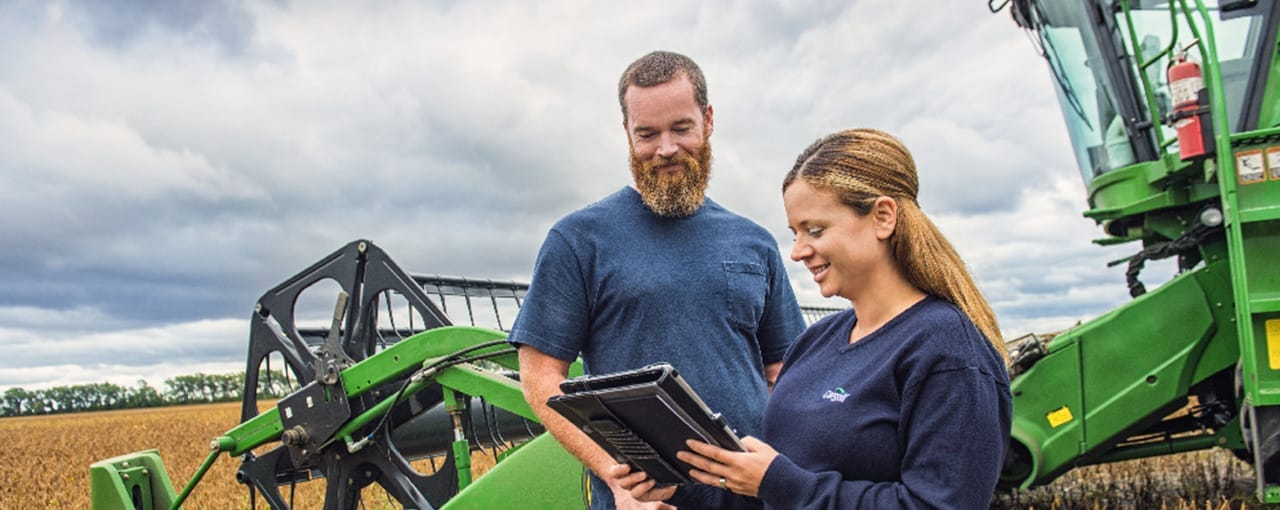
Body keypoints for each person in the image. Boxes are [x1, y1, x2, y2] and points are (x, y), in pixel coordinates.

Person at [614, 128, 1012, 509]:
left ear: (883, 217)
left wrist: (778, 483)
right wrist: (678, 485)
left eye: (816, 230)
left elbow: (937, 503)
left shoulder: (948, 350)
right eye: (794, 234)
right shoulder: (815, 341)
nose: (798, 251)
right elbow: (772, 494)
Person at [507, 50, 807, 510]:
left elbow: (782, 372)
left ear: (707, 120)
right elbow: (540, 376)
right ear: (626, 133)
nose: (665, 148)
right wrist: (615, 476)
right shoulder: (578, 240)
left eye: (681, 128)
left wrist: (779, 471)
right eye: (647, 134)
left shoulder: (755, 242)